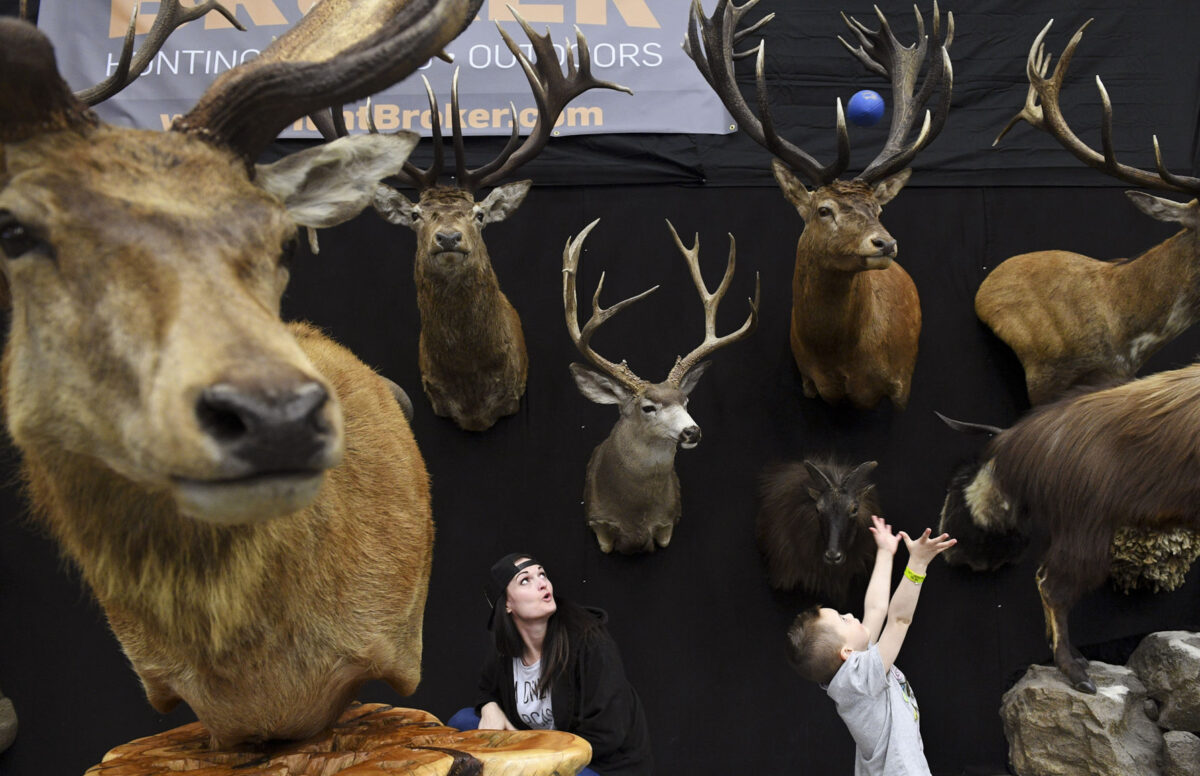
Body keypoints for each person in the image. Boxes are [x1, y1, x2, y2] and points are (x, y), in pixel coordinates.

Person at [448, 553, 653, 776]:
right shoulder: (504, 652)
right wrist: (491, 707)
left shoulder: (589, 641)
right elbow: (486, 690)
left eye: (542, 574)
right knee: (462, 720)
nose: (542, 583)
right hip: (539, 755)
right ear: (507, 604)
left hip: (597, 765)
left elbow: (608, 733)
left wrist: (532, 757)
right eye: (525, 580)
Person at [786, 516, 956, 776]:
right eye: (844, 620)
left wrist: (886, 552)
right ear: (847, 653)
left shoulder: (851, 675)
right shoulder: (859, 678)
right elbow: (899, 620)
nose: (852, 616)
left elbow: (876, 609)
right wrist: (917, 565)